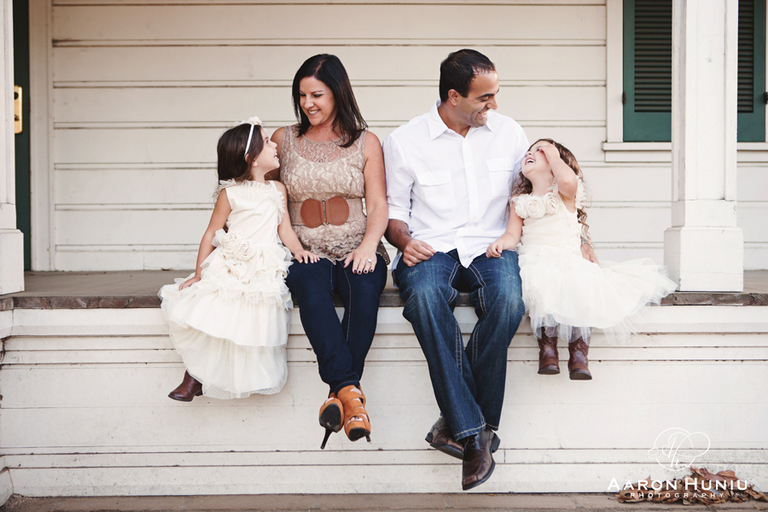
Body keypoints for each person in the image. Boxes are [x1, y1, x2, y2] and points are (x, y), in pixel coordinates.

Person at [383, 49, 529, 491]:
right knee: (426, 299)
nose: (494, 105)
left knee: (509, 302)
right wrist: (404, 242)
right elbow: (394, 212)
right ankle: (478, 433)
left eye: (495, 94)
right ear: (453, 96)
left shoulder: (509, 133)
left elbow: (529, 196)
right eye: (485, 97)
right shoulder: (405, 141)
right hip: (431, 247)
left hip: (491, 246)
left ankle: (458, 426)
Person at [271, 54, 389, 449]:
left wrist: (369, 246)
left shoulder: (366, 142)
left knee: (364, 290)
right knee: (312, 291)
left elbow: (379, 204)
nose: (308, 103)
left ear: (338, 93)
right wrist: (292, 245)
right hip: (303, 247)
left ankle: (339, 393)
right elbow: (265, 195)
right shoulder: (283, 139)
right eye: (302, 95)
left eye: (317, 95)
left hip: (357, 244)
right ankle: (352, 397)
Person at [487, 139, 677, 379]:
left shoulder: (565, 194)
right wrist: (501, 243)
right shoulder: (520, 203)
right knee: (542, 287)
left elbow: (568, 180)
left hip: (569, 258)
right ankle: (547, 349)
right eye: (529, 151)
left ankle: (579, 353)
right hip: (535, 259)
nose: (530, 153)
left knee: (581, 286)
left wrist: (554, 156)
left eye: (539, 150)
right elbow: (513, 235)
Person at [160, 117, 318, 401]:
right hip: (231, 264)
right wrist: (199, 273)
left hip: (264, 266)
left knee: (251, 316)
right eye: (267, 142)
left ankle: (245, 375)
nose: (274, 146)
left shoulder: (277, 190)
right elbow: (212, 233)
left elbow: (284, 229)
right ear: (251, 159)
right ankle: (194, 375)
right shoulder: (230, 193)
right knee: (218, 309)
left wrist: (298, 251)